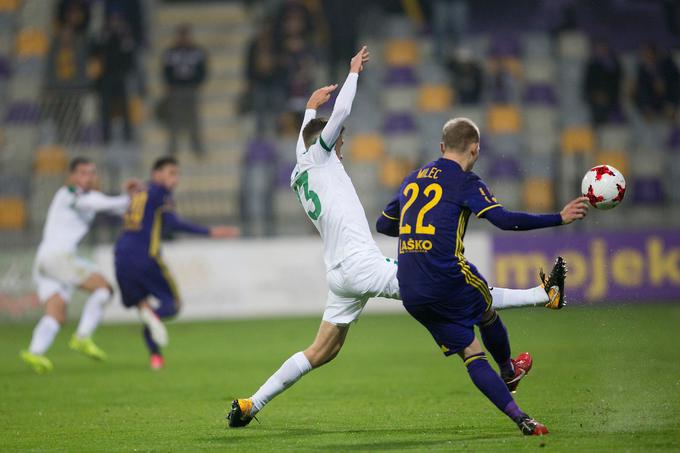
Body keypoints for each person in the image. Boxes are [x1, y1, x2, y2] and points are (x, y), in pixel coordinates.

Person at [227, 47, 566, 428]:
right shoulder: (322, 157)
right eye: (338, 143)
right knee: (454, 286)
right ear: (326, 144)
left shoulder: (300, 169)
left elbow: (307, 137)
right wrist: (353, 73)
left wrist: (308, 107)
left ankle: (250, 404)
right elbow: (338, 117)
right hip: (364, 266)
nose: (341, 148)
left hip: (339, 274)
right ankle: (543, 296)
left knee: (321, 351)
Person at [377, 117, 589, 435]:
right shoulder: (466, 181)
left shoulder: (412, 179)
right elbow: (504, 220)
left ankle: (523, 419)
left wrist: (417, 228)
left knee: (472, 352)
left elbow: (383, 225)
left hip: (411, 288)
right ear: (475, 149)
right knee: (485, 307)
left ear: (441, 147)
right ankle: (511, 364)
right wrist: (558, 217)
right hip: (445, 275)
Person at [114, 157, 238, 370]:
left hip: (120, 255)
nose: (176, 179)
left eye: (177, 174)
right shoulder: (161, 193)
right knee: (172, 305)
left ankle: (156, 359)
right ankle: (154, 320)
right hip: (146, 255)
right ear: (157, 174)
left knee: (144, 308)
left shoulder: (140, 192)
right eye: (171, 173)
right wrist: (211, 232)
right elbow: (173, 223)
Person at [21, 157, 140, 374]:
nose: (88, 177)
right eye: (83, 173)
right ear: (72, 176)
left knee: (56, 314)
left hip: (45, 261)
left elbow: (112, 206)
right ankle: (83, 337)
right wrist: (127, 198)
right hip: (58, 258)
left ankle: (34, 352)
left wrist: (132, 196)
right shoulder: (68, 194)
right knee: (104, 288)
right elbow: (99, 204)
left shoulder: (91, 197)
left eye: (92, 173)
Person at [162, 24, 208, 156]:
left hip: (191, 88)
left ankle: (196, 146)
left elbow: (203, 69)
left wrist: (198, 83)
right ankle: (172, 146)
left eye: (186, 36)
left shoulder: (197, 51)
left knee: (194, 118)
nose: (183, 39)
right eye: (181, 36)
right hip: (176, 88)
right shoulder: (171, 52)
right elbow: (166, 69)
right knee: (174, 118)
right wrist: (170, 83)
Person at [582, 41, 622, 126]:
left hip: (610, 98)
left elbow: (616, 83)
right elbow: (587, 84)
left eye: (603, 48)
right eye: (599, 49)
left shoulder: (614, 64)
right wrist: (595, 95)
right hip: (595, 99)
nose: (601, 51)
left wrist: (607, 96)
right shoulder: (591, 65)